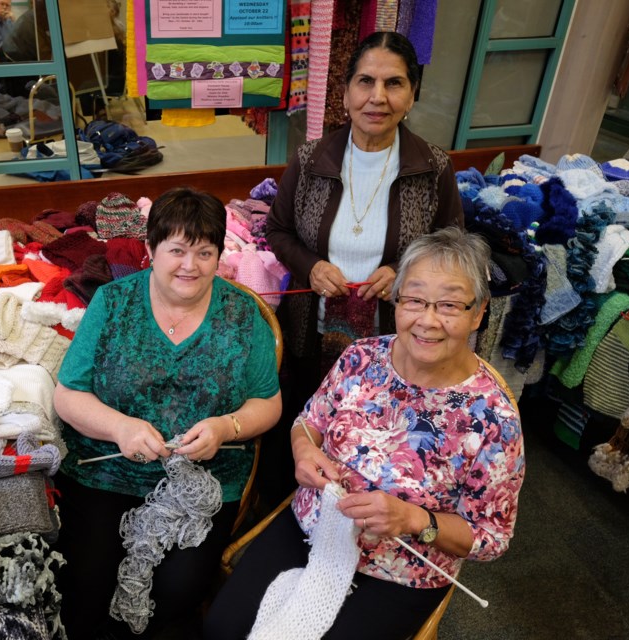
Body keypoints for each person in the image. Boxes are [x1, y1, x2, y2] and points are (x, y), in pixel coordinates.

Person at [204, 227, 525, 640]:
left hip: (401, 570)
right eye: (415, 300)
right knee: (221, 629)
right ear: (397, 301)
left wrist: (414, 519)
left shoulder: (494, 419)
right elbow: (308, 422)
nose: (428, 320)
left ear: (478, 312)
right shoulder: (361, 356)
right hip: (314, 524)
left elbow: (490, 538)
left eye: (449, 305)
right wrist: (304, 454)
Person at [53, 187, 283, 638]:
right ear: (150, 250)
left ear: (220, 255)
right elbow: (68, 394)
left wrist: (225, 426)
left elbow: (268, 403)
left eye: (205, 252)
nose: (190, 266)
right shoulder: (114, 303)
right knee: (84, 583)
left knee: (175, 591)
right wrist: (120, 427)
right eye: (176, 250)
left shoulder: (240, 313)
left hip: (203, 482)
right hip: (106, 475)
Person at [261, 31, 464, 507]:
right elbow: (276, 230)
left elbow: (453, 245)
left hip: (393, 339)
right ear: (346, 92)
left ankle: (362, 516)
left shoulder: (432, 167)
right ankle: (294, 512)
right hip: (311, 330)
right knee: (307, 424)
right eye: (365, 81)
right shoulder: (312, 160)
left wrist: (404, 273)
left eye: (394, 83)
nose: (378, 97)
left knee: (379, 436)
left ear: (413, 93)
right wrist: (310, 267)